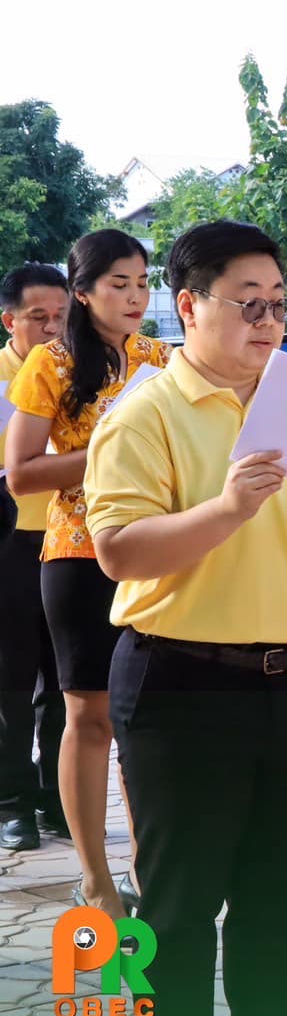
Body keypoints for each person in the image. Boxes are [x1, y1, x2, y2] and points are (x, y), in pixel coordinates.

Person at [85, 220, 287, 1016]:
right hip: (181, 682)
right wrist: (227, 506)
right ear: (188, 305)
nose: (268, 319)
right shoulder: (144, 412)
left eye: (277, 302)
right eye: (247, 302)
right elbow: (117, 552)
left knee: (277, 897)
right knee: (180, 904)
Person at [5, 230, 169, 917]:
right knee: (88, 715)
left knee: (142, 717)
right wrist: (107, 448)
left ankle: (147, 866)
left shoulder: (157, 356)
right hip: (74, 553)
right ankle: (96, 878)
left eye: (142, 282)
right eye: (118, 284)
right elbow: (22, 472)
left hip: (149, 551)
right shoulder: (50, 360)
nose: (135, 296)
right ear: (83, 291)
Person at [0, 263, 69, 852]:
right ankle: (13, 804)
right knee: (10, 683)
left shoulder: (80, 370)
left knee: (66, 681)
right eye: (37, 317)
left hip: (68, 543)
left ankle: (57, 799)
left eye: (60, 316)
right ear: (9, 320)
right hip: (9, 543)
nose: (51, 328)